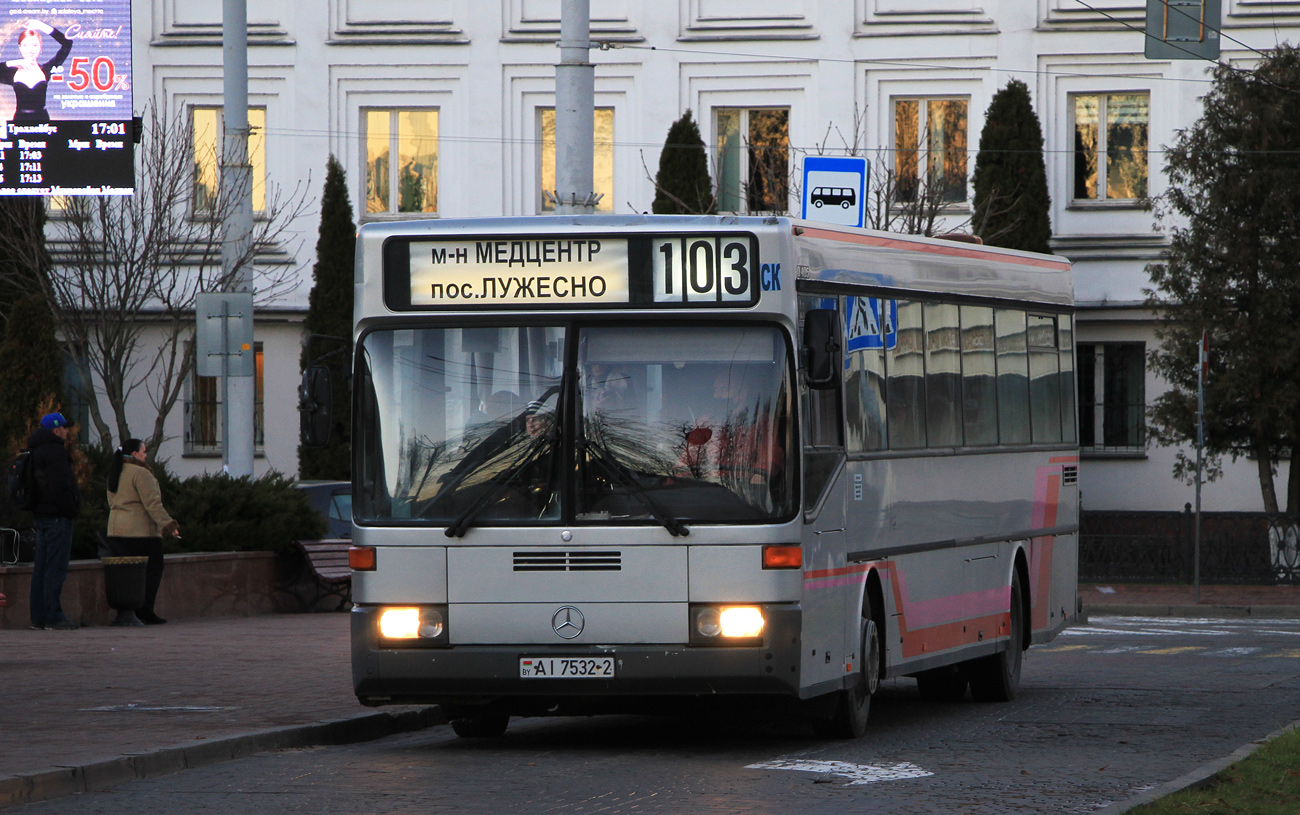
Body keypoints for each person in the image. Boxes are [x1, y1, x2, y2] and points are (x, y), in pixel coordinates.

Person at [106, 438, 180, 625]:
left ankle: (126, 612)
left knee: (125, 574)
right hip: (140, 531)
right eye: (143, 451)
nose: (146, 455)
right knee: (152, 569)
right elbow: (152, 504)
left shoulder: (115, 471)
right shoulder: (141, 473)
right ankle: (145, 610)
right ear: (134, 454)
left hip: (116, 529)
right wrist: (169, 525)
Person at [27, 411, 81, 631]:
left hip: (41, 516)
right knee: (55, 568)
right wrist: (71, 509)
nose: (67, 432)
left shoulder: (35, 450)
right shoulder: (55, 452)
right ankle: (54, 617)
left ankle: (39, 617)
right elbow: (61, 485)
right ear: (56, 430)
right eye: (65, 428)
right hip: (58, 517)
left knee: (41, 567)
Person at [0, 20, 73, 123]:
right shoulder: (12, 73)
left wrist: (41, 26)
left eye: (34, 45)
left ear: (40, 47)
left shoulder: (46, 69)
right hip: (20, 124)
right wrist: (11, 63)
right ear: (19, 47)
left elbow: (67, 43)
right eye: (25, 45)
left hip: (43, 122)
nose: (30, 50)